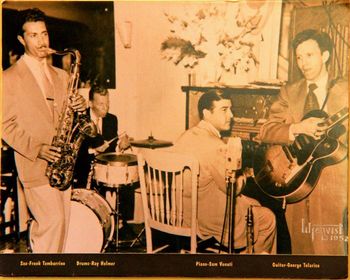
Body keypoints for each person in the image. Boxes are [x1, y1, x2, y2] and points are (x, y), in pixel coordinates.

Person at [2, 8, 87, 253]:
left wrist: (80, 107)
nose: (42, 41)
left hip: (63, 164)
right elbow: (5, 125)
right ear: (21, 40)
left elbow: (67, 117)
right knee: (53, 224)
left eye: (44, 34)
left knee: (62, 228)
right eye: (33, 35)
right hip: (35, 163)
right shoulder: (8, 78)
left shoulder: (61, 75)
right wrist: (38, 149)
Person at [259, 29, 348, 255]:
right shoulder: (289, 92)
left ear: (325, 56)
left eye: (309, 55)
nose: (303, 63)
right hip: (295, 181)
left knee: (330, 252)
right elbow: (266, 130)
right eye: (299, 57)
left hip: (334, 183)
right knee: (300, 251)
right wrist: (297, 128)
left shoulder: (345, 90)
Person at [174, 90, 276, 254]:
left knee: (252, 204)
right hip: (209, 222)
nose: (231, 115)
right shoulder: (216, 146)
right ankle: (255, 268)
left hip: (183, 215)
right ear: (207, 113)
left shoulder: (184, 137)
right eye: (224, 110)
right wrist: (244, 175)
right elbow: (232, 189)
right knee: (268, 218)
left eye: (230, 109)